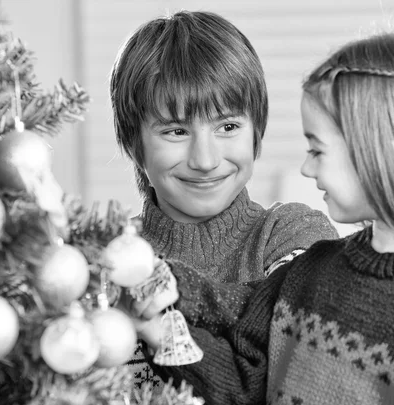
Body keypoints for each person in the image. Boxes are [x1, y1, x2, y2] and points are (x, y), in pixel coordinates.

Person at [130, 28, 394, 404]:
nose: (306, 169)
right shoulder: (315, 269)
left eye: (317, 151)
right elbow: (243, 375)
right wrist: (159, 320)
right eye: (176, 130)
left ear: (388, 158)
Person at [108, 10, 338, 393]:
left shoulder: (292, 235)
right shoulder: (105, 260)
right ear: (135, 145)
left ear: (256, 132)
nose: (205, 160)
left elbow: (288, 383)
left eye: (227, 126)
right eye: (176, 130)